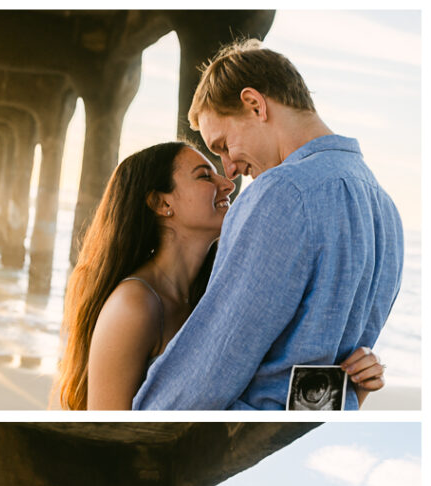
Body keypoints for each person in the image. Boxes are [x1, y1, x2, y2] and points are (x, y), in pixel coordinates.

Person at [132, 38, 404, 410]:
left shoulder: (281, 193)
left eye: (224, 145)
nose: (229, 169)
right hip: (316, 430)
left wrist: (148, 418)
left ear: (254, 104)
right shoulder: (385, 209)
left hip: (241, 444)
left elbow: (217, 355)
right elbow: (328, 382)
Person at [57, 141, 385, 410]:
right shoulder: (133, 306)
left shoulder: (222, 292)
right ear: (161, 203)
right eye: (205, 177)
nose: (228, 184)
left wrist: (354, 385)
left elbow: (268, 396)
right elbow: (107, 430)